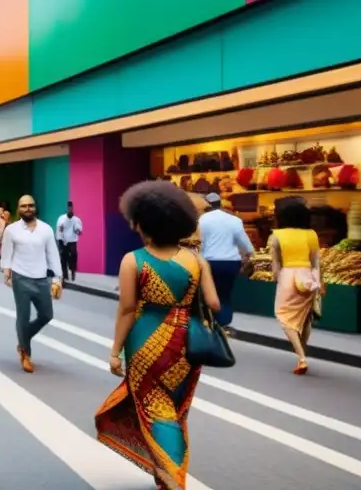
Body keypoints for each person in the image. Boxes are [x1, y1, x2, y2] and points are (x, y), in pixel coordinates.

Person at [96, 181, 220, 490]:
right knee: (175, 408)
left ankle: (172, 478)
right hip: (187, 344)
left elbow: (127, 309)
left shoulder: (133, 260)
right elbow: (214, 304)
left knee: (154, 407)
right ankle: (166, 474)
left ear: (143, 223)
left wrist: (115, 351)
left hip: (146, 341)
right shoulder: (196, 260)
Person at [0, 195, 62, 373]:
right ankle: (25, 354)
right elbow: (6, 253)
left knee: (46, 315)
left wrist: (57, 277)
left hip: (41, 278)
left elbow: (53, 254)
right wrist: (7, 272)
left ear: (35, 207)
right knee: (23, 315)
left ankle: (23, 338)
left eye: (31, 205)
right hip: (21, 277)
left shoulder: (46, 229)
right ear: (18, 209)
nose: (28, 208)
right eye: (24, 206)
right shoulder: (11, 230)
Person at [269, 196, 322, 374]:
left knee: (284, 316)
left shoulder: (277, 236)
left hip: (288, 277)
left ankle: (301, 357)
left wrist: (278, 278)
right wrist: (319, 281)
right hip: (307, 276)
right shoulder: (312, 234)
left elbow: (275, 266)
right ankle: (302, 349)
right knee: (306, 317)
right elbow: (316, 261)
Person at [198, 192, 253, 332]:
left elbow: (199, 243)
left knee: (208, 293)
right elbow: (246, 244)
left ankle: (210, 321)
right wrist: (250, 254)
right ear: (220, 203)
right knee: (225, 294)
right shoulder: (234, 220)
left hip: (209, 262)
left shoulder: (202, 220)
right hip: (231, 262)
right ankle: (223, 323)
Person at [55, 201, 82, 281]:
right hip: (62, 239)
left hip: (72, 240)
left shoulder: (76, 220)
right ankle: (65, 274)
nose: (70, 210)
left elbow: (79, 231)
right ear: (67, 209)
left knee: (74, 255)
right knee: (64, 257)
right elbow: (59, 230)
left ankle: (73, 271)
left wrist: (78, 231)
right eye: (69, 209)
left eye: (71, 209)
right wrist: (62, 240)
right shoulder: (61, 219)